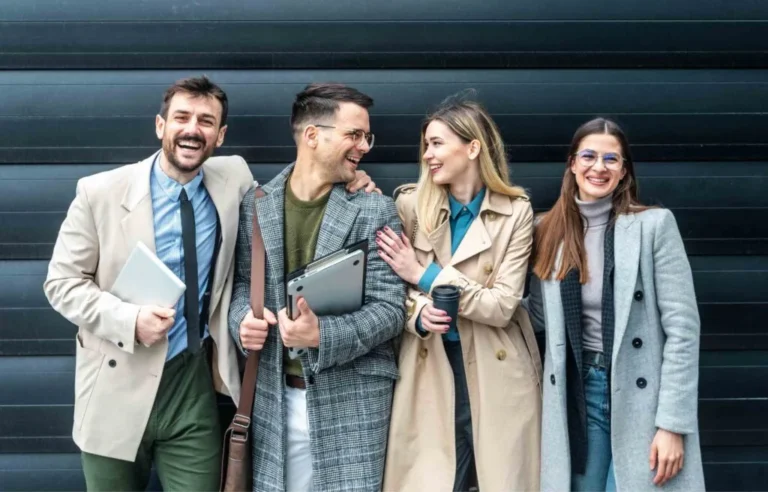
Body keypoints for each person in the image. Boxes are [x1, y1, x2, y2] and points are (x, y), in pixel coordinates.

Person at [43, 76, 376, 491]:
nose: (192, 129)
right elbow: (61, 283)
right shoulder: (100, 192)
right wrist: (128, 320)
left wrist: (351, 179)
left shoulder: (233, 178)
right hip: (116, 380)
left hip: (193, 385)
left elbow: (286, 198)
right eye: (182, 117)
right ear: (161, 125)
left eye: (205, 121)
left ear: (220, 136)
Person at [228, 83, 405, 492]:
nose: (364, 147)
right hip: (274, 397)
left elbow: (390, 310)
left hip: (354, 402)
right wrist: (243, 322)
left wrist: (322, 334)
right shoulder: (257, 203)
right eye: (354, 135)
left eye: (366, 136)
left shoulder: (375, 208)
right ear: (312, 135)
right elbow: (242, 284)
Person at [526, 117, 706, 491]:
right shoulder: (547, 230)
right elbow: (536, 317)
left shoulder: (653, 226)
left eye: (611, 159)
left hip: (643, 394)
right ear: (572, 163)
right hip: (579, 393)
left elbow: (683, 330)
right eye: (589, 156)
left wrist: (672, 424)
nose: (599, 167)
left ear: (624, 171)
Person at [378, 96, 542, 491]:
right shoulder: (409, 205)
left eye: (437, 143)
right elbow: (385, 291)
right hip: (429, 365)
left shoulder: (516, 212)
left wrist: (426, 274)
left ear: (472, 147)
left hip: (497, 370)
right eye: (426, 145)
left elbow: (503, 305)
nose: (428, 155)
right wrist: (416, 313)